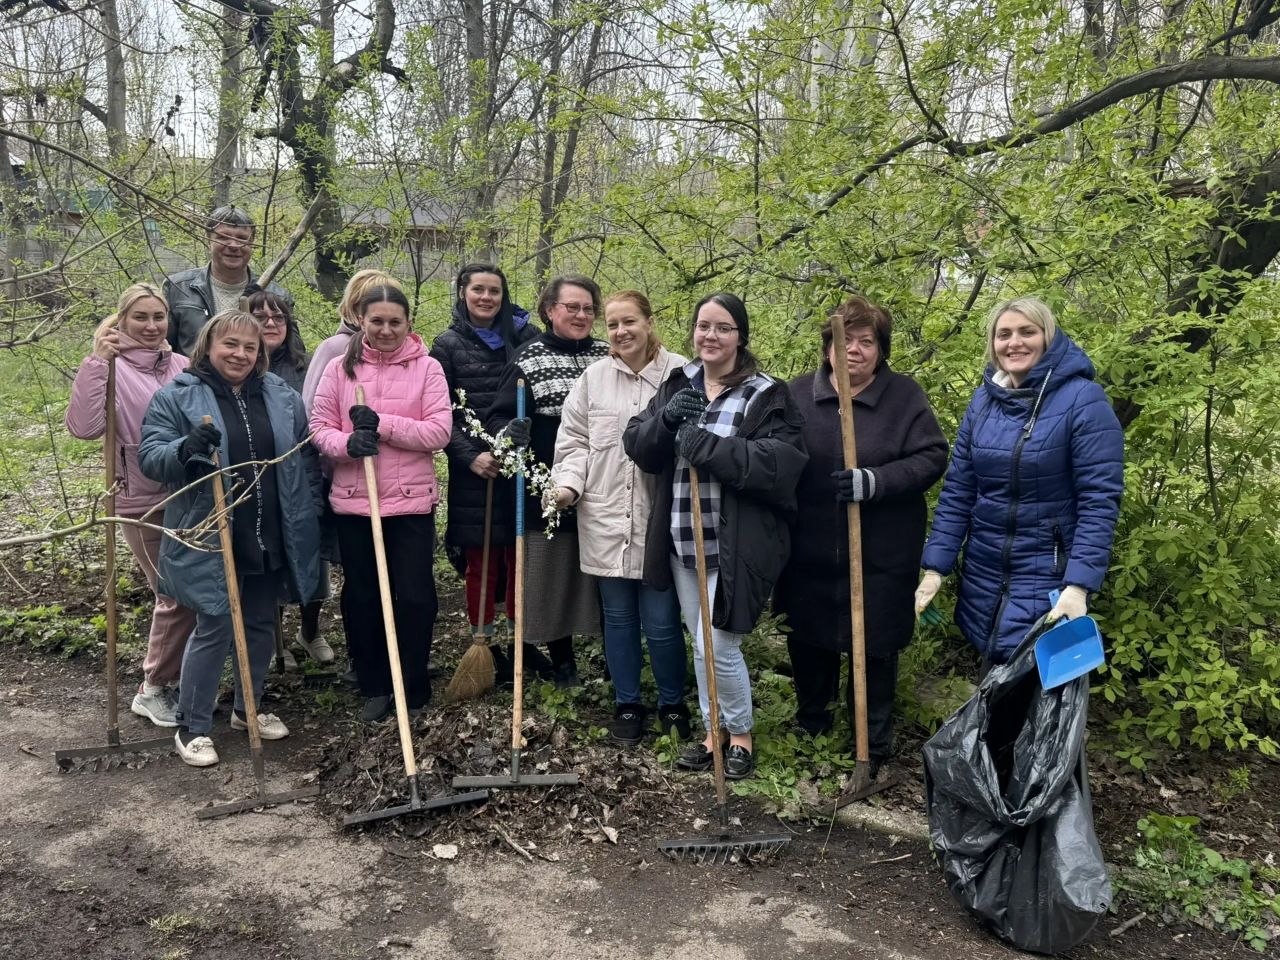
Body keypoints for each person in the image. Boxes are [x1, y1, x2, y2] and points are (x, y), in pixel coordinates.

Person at [624, 292, 807, 779]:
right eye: (703, 326)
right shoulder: (677, 383)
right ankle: (712, 734)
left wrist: (704, 445)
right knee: (699, 639)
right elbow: (638, 446)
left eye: (723, 327)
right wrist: (664, 421)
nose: (711, 336)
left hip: (734, 544)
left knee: (716, 646)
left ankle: (740, 735)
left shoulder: (766, 394)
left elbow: (779, 465)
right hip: (684, 539)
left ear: (740, 336)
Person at [139, 310, 321, 767]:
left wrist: (310, 510)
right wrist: (185, 449)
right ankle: (193, 724)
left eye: (250, 347)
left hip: (270, 527)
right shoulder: (178, 396)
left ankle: (248, 707)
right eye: (230, 345)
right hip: (211, 529)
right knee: (216, 625)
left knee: (261, 622)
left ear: (261, 352)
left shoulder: (281, 396)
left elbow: (304, 458)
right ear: (208, 346)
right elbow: (151, 457)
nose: (240, 354)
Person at [774, 296, 948, 773]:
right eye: (843, 339)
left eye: (866, 341)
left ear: (880, 349)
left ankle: (871, 742)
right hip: (808, 549)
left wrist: (876, 481)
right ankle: (812, 726)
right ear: (827, 346)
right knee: (808, 639)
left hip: (881, 553)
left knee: (874, 644)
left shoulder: (904, 397)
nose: (854, 349)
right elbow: (772, 456)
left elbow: (932, 457)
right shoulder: (795, 396)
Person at [915, 297, 1124, 664]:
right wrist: (936, 567)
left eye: (1028, 332)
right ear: (993, 345)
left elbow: (1099, 501)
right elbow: (959, 490)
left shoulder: (1084, 400)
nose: (1015, 343)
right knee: (992, 680)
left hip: (1051, 576)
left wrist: (1078, 585)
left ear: (1049, 337)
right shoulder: (983, 401)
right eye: (1004, 334)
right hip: (984, 572)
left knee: (1040, 689)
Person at [549, 290, 689, 744]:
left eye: (629, 321)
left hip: (661, 519)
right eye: (612, 325)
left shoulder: (681, 374)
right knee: (619, 618)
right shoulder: (593, 378)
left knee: (663, 621)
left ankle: (672, 703)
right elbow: (574, 442)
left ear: (649, 321)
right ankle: (627, 704)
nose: (620, 332)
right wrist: (568, 486)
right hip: (605, 515)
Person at [310, 285, 452, 722]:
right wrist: (350, 443)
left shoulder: (428, 368)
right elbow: (318, 428)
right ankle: (373, 681)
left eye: (395, 321)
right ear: (361, 320)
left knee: (414, 595)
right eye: (377, 321)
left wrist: (383, 425)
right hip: (356, 503)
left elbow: (438, 432)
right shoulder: (339, 369)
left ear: (408, 322)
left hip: (410, 504)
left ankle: (411, 682)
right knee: (364, 595)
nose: (386, 329)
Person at [65, 283, 196, 728]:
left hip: (189, 493)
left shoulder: (181, 364)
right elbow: (83, 428)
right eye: (140, 317)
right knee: (173, 592)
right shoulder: (111, 368)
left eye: (158, 317)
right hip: (141, 498)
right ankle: (152, 688)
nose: (151, 325)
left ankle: (177, 678)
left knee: (191, 591)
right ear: (120, 320)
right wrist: (97, 362)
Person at [485, 274, 610, 687]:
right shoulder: (527, 360)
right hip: (548, 486)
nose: (580, 314)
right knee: (554, 575)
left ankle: (615, 659)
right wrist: (510, 433)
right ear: (549, 311)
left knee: (606, 578)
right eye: (571, 307)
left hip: (607, 488)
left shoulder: (609, 357)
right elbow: (498, 418)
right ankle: (563, 662)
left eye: (588, 308)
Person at [429, 264, 541, 679]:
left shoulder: (526, 338)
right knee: (481, 559)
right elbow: (440, 412)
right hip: (475, 469)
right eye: (478, 289)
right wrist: (470, 456)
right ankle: (484, 643)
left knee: (517, 556)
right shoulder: (448, 345)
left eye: (494, 291)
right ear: (463, 292)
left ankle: (519, 643)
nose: (486, 298)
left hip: (522, 462)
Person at [246, 289, 333, 666]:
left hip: (304, 478)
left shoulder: (305, 366)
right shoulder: (240, 364)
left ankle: (310, 630)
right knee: (270, 561)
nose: (270, 324)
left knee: (313, 561)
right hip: (259, 483)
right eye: (260, 317)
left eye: (277, 317)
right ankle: (272, 638)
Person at [164, 205, 293, 357]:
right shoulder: (178, 289)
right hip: (191, 378)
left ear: (252, 243)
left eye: (241, 238)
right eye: (223, 237)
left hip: (255, 379)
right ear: (208, 240)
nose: (233, 245)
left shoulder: (276, 295)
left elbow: (292, 356)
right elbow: (161, 349)